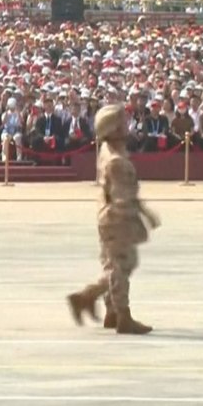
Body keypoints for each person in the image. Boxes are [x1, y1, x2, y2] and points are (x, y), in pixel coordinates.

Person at [67, 104, 158, 334]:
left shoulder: (107, 150)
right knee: (122, 265)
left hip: (105, 215)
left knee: (111, 263)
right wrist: (136, 222)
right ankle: (96, 302)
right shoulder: (118, 160)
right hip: (116, 218)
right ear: (114, 130)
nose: (127, 125)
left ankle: (112, 311)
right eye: (122, 122)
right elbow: (123, 199)